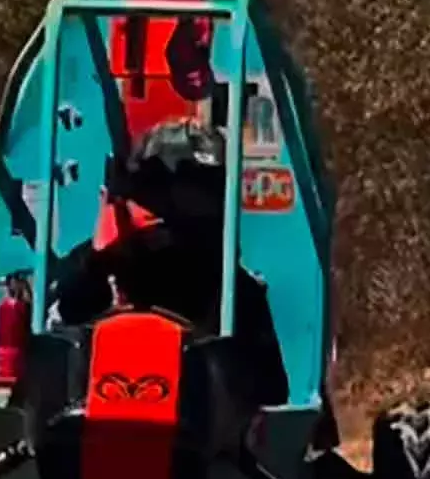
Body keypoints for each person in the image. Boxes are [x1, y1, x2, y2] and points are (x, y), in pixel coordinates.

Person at [50, 119, 289, 405]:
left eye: (198, 194)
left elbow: (272, 393)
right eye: (160, 194)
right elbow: (60, 326)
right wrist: (99, 262)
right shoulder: (103, 264)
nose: (175, 213)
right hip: (95, 426)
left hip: (197, 437)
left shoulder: (234, 290)